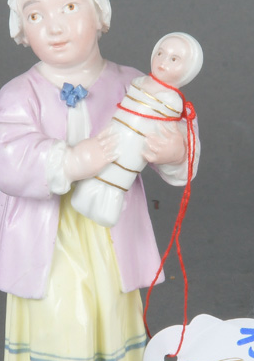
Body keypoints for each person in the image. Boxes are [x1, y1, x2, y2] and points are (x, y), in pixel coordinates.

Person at [0, 0, 201, 361]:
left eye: (68, 6)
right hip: (51, 233)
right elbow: (8, 159)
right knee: (66, 312)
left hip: (110, 231)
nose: (53, 26)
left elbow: (178, 141)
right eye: (35, 15)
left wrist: (174, 150)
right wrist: (71, 160)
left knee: (107, 310)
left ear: (99, 13)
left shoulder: (133, 84)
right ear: (21, 29)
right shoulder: (18, 94)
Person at [71, 32, 203, 227]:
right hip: (113, 137)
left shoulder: (164, 97)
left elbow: (181, 139)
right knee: (97, 177)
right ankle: (85, 196)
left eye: (174, 59)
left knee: (118, 176)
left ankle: (107, 206)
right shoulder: (139, 83)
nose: (162, 61)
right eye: (160, 53)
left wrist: (177, 154)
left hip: (131, 148)